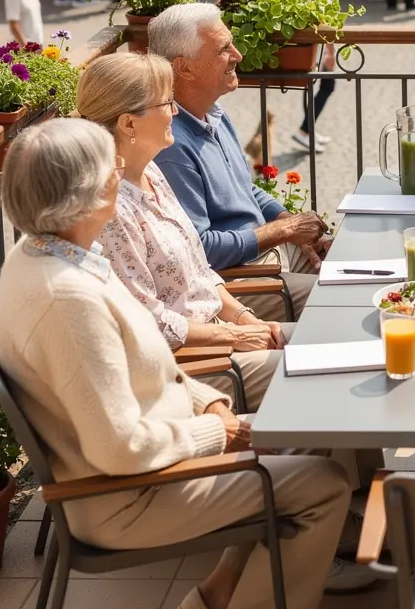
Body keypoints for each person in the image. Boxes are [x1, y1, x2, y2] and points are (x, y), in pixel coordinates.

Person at [0, 119, 361, 609]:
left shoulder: (47, 258)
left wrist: (209, 400)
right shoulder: (65, 299)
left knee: (301, 427)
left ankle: (217, 594)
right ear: (87, 196)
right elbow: (120, 446)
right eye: (110, 172)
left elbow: (147, 365)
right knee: (324, 484)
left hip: (153, 454)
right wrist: (220, 431)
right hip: (126, 495)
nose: (120, 177)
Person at [76, 54, 291, 411]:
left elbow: (198, 267)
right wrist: (234, 335)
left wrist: (244, 318)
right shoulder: (111, 210)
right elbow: (148, 324)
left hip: (221, 335)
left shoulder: (150, 173)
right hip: (193, 368)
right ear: (129, 124)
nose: (176, 111)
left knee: (335, 350)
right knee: (325, 373)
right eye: (166, 102)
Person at [148, 3, 328, 322]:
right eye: (223, 48)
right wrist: (284, 231)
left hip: (267, 254)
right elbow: (201, 248)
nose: (238, 54)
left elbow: (245, 190)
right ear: (184, 68)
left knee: (352, 258)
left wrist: (289, 221)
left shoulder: (213, 112)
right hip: (239, 281)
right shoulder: (170, 144)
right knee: (343, 298)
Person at [292, 0, 338, 154]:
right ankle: (304, 131)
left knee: (311, 87)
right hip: (316, 48)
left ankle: (308, 130)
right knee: (327, 87)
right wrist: (331, 53)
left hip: (302, 48)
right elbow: (326, 23)